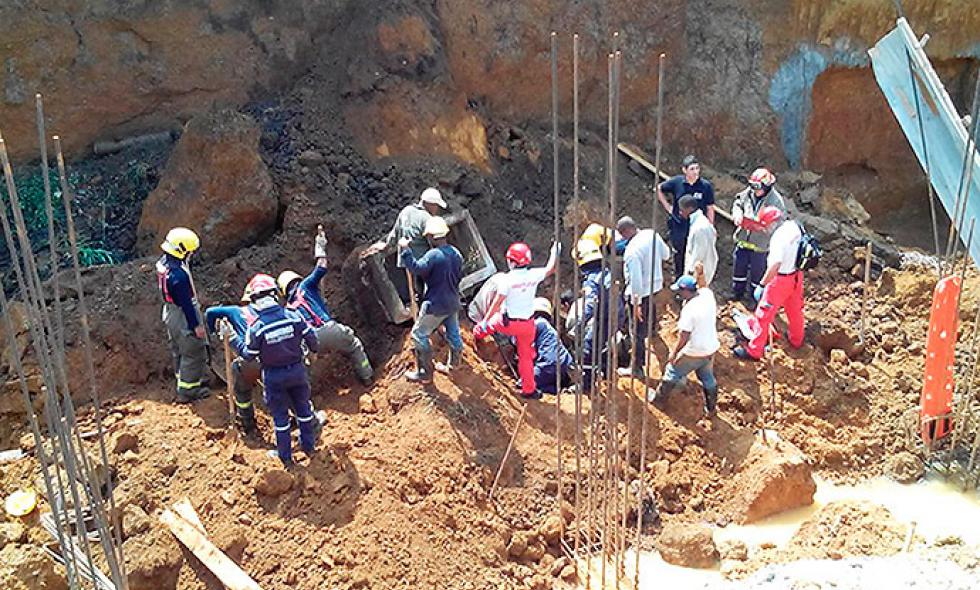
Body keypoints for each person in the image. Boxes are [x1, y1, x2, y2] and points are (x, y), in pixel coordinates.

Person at [230, 274, 319, 468]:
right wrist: (311, 349)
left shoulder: (257, 328)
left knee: (280, 417)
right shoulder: (293, 316)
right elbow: (312, 339)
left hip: (273, 376)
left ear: (254, 300)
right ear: (275, 294)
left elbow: (248, 354)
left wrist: (231, 339)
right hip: (297, 370)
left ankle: (286, 457)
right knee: (303, 409)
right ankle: (309, 447)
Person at [278, 227, 374, 385]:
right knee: (354, 345)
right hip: (329, 329)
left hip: (311, 342)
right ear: (296, 279)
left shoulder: (287, 309)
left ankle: (306, 398)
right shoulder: (306, 286)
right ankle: (367, 376)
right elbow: (322, 266)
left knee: (303, 368)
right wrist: (320, 246)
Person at [473, 240, 560, 400]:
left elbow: (497, 301)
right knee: (525, 357)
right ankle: (529, 390)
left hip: (507, 323)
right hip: (528, 326)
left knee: (488, 325)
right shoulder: (533, 274)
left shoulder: (508, 279)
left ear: (512, 261)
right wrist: (555, 251)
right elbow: (551, 268)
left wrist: (484, 321)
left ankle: (476, 337)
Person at [734, 206, 805, 361]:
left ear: (772, 224)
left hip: (780, 280)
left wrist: (762, 284)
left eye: (765, 226)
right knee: (794, 310)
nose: (765, 230)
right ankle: (797, 340)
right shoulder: (795, 226)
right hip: (796, 275)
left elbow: (775, 265)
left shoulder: (778, 239)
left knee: (763, 315)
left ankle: (754, 350)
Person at [400, 216, 465, 382]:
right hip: (453, 301)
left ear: (430, 237)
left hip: (436, 304)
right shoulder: (456, 254)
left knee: (418, 334)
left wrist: (406, 250)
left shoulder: (433, 255)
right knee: (453, 334)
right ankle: (454, 366)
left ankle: (424, 373)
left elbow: (416, 268)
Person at [649, 275, 719, 416]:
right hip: (711, 347)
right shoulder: (707, 295)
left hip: (694, 350)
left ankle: (658, 401)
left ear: (686, 291)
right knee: (707, 377)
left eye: (680, 291)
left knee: (672, 371)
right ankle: (711, 409)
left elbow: (684, 336)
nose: (678, 294)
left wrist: (674, 354)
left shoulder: (689, 310)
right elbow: (704, 285)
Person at [366, 187, 448, 304]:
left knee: (413, 292)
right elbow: (434, 241)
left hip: (405, 260)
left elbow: (395, 232)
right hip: (422, 263)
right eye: (436, 206)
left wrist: (386, 245)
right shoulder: (427, 219)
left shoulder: (406, 211)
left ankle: (417, 309)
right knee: (425, 292)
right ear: (430, 204)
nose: (437, 209)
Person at [156, 227, 209, 403]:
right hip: (182, 316)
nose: (192, 254)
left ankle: (184, 380)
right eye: (190, 251)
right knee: (193, 351)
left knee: (178, 350)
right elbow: (186, 304)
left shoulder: (164, 263)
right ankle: (188, 391)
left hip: (169, 312)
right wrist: (197, 325)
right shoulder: (179, 276)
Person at [205, 284, 262, 436]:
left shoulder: (236, 311)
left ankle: (247, 423)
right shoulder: (268, 312)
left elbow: (210, 312)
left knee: (242, 389)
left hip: (246, 361)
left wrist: (213, 332)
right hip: (269, 359)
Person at [617, 216, 670, 377]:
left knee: (635, 330)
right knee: (650, 306)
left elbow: (636, 281)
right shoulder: (651, 234)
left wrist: (636, 304)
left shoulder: (631, 252)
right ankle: (652, 330)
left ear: (625, 233)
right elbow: (666, 255)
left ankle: (637, 368)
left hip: (640, 291)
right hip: (655, 285)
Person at [731, 168, 786, 302]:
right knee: (739, 270)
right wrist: (737, 213)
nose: (755, 191)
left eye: (758, 187)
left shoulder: (776, 201)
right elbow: (738, 202)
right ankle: (737, 293)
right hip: (743, 240)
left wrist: (765, 227)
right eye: (752, 187)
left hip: (761, 246)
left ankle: (753, 299)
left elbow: (779, 221)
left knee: (757, 274)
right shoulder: (748, 193)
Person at [575, 239, 624, 389]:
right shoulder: (607, 273)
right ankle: (605, 371)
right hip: (617, 315)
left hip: (606, 317)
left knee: (589, 347)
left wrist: (580, 323)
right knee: (601, 344)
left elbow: (589, 304)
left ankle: (586, 385)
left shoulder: (592, 280)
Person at [657, 155, 716, 278]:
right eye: (692, 169)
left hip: (696, 226)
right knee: (679, 252)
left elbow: (710, 207)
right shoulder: (677, 183)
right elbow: (659, 189)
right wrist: (668, 207)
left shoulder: (705, 186)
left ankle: (694, 278)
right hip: (679, 225)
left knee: (696, 254)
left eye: (697, 168)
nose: (695, 172)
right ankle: (679, 277)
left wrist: (711, 227)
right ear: (684, 170)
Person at [531, 298, 574, 394]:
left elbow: (522, 345)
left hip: (548, 364)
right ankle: (558, 389)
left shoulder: (537, 324)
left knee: (523, 385)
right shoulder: (548, 328)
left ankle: (553, 390)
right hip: (565, 366)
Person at [680, 195, 718, 285]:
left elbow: (698, 254)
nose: (680, 213)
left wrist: (690, 272)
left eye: (682, 210)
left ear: (689, 209)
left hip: (699, 272)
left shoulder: (700, 228)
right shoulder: (700, 223)